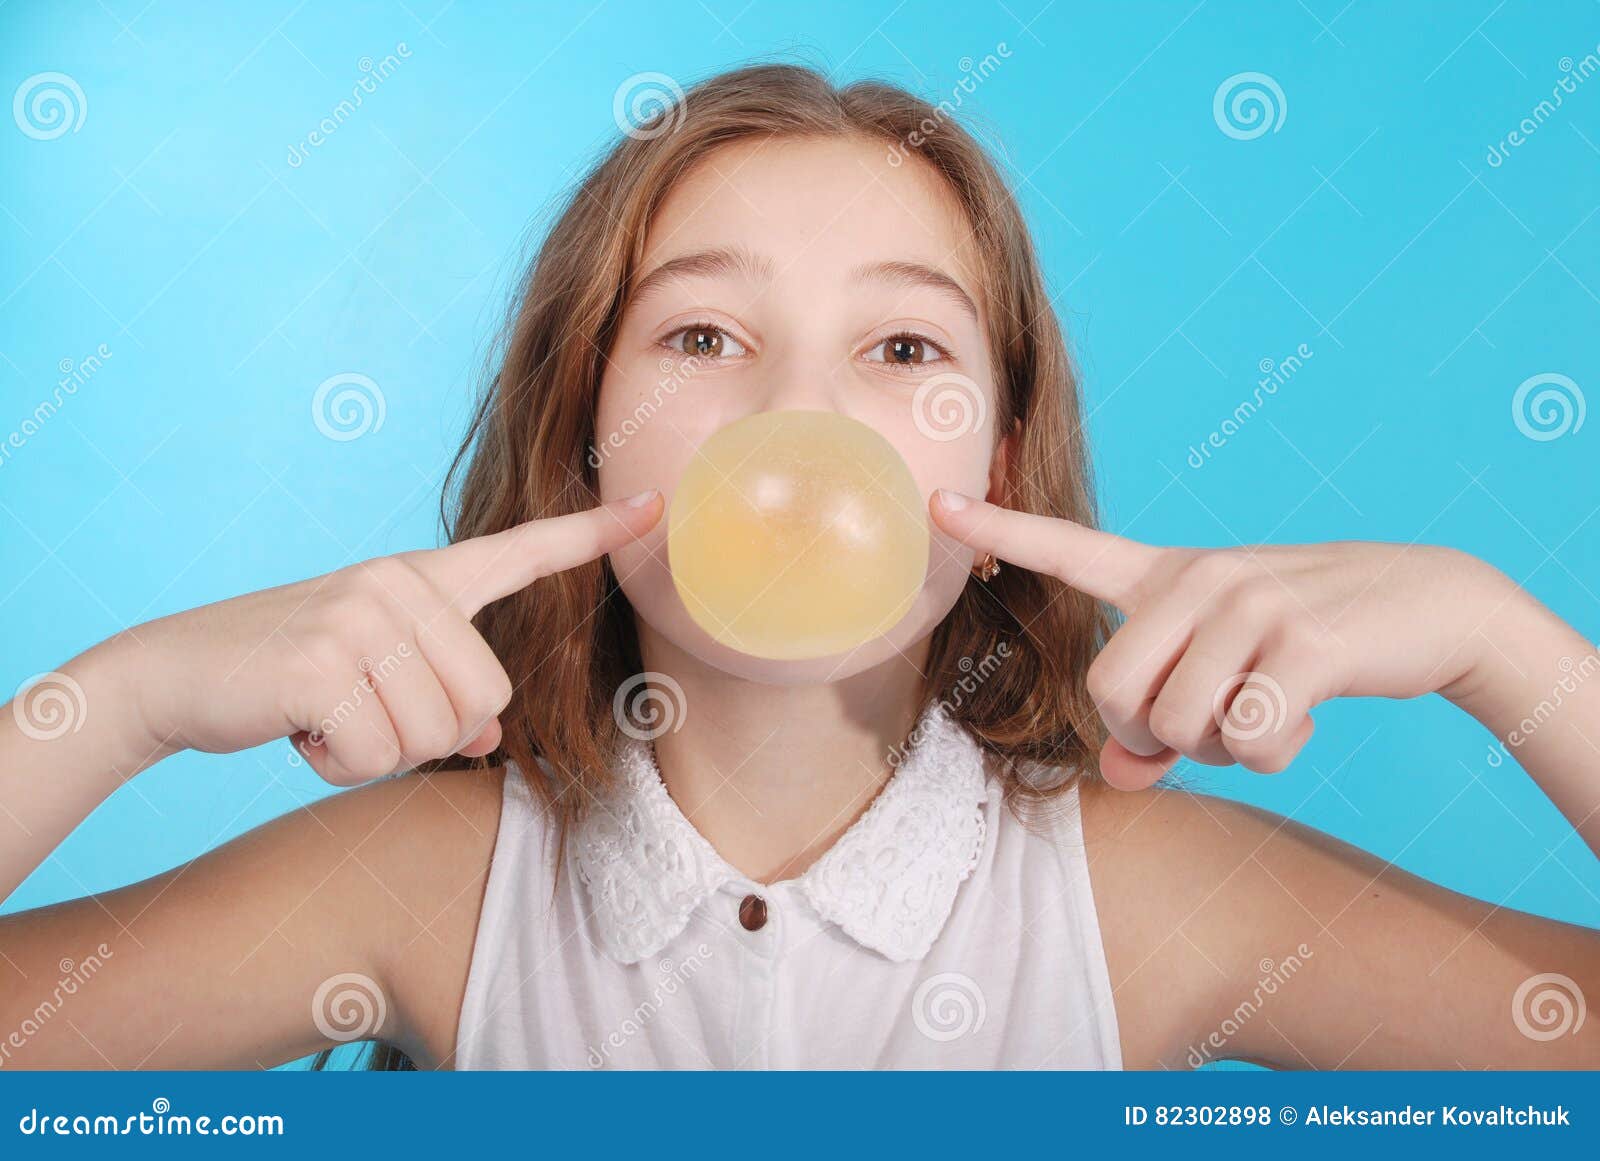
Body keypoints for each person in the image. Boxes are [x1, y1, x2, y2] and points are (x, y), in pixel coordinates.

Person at [2, 64, 1596, 1071]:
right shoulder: (425, 884)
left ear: (1000, 459)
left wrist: (1501, 645)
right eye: (704, 334)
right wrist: (117, 702)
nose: (798, 418)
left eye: (903, 345)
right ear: (586, 434)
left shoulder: (1150, 903)